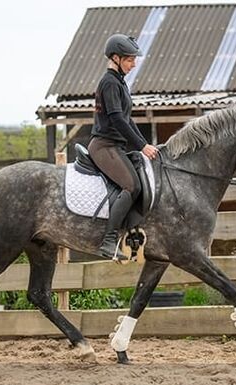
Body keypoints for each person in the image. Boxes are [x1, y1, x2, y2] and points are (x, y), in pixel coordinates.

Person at [88, 34, 159, 260]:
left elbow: (128, 120)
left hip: (115, 146)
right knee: (131, 186)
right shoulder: (109, 82)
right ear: (116, 58)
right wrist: (141, 145)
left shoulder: (119, 82)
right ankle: (108, 241)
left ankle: (129, 230)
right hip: (104, 146)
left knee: (139, 181)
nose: (133, 63)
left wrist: (144, 145)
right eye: (129, 59)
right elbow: (118, 120)